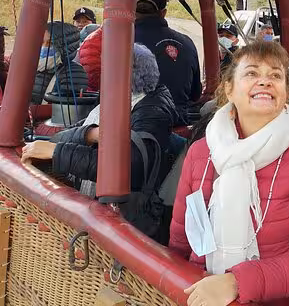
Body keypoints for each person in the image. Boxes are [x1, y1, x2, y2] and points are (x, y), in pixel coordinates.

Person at [169, 41, 289, 306]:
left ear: (286, 93)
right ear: (230, 89)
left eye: (275, 75)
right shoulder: (201, 151)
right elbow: (180, 240)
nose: (265, 82)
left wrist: (237, 283)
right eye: (252, 73)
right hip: (199, 296)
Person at [22, 43, 179, 240]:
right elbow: (61, 137)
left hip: (126, 222)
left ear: (127, 72)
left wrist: (57, 152)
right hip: (101, 207)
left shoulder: (152, 113)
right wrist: (90, 134)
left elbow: (126, 168)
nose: (103, 74)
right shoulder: (115, 102)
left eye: (109, 67)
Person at [134, 0, 202, 125]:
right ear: (163, 13)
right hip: (178, 124)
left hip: (137, 127)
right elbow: (195, 94)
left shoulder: (119, 42)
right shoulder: (187, 42)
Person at [32, 21, 87, 104]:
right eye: (41, 42)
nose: (43, 47)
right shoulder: (32, 67)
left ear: (64, 47)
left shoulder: (74, 73)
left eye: (50, 43)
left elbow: (60, 111)